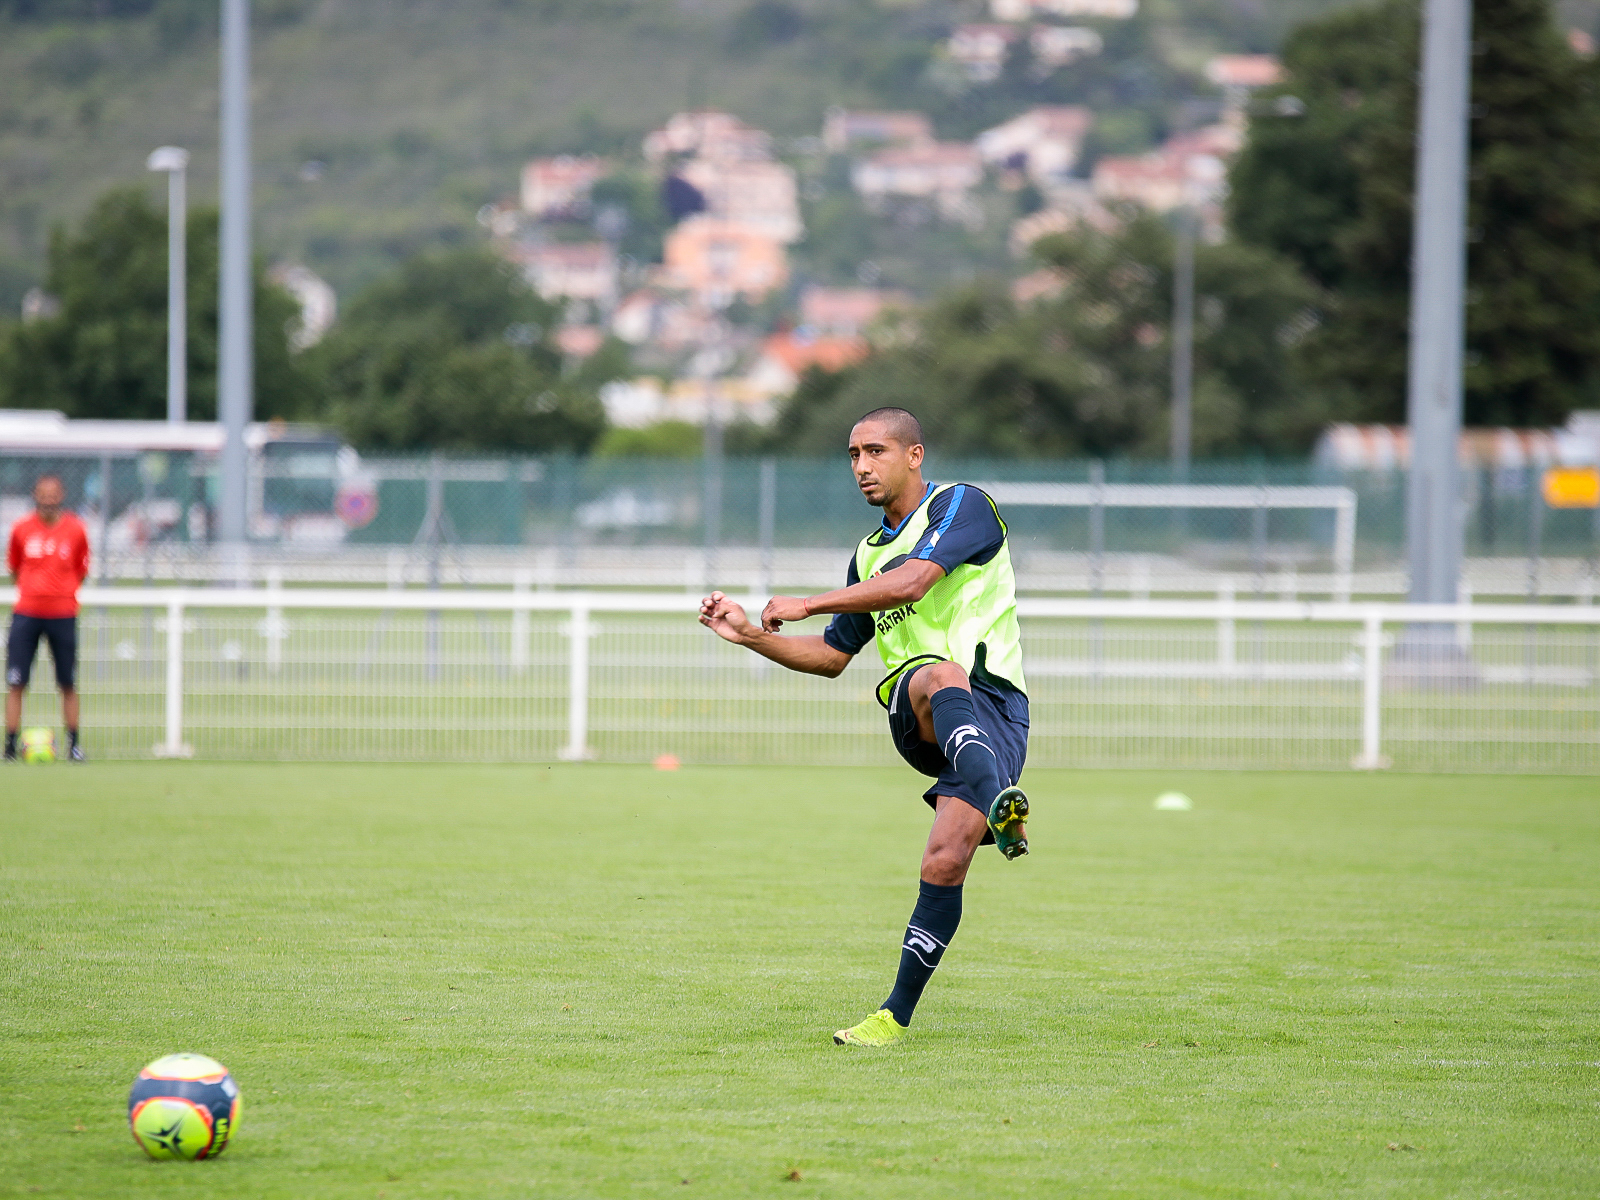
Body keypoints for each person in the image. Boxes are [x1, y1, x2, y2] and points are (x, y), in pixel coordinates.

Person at [698, 407, 1029, 1046]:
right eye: (852, 455)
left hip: (998, 717)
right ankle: (997, 800)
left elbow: (915, 582)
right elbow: (830, 658)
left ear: (914, 455)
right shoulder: (867, 558)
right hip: (924, 709)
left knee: (946, 857)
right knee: (938, 673)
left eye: (874, 451)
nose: (860, 467)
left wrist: (808, 602)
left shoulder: (964, 505)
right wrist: (747, 638)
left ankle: (892, 1017)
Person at [6, 475, 91, 762]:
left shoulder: (76, 529)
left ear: (62, 495)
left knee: (67, 682)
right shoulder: (22, 529)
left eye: (54, 493)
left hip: (63, 613)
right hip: (27, 612)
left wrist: (60, 592)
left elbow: (81, 568)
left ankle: (74, 745)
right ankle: (9, 745)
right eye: (43, 493)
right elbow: (15, 567)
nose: (49, 499)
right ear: (35, 495)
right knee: (16, 681)